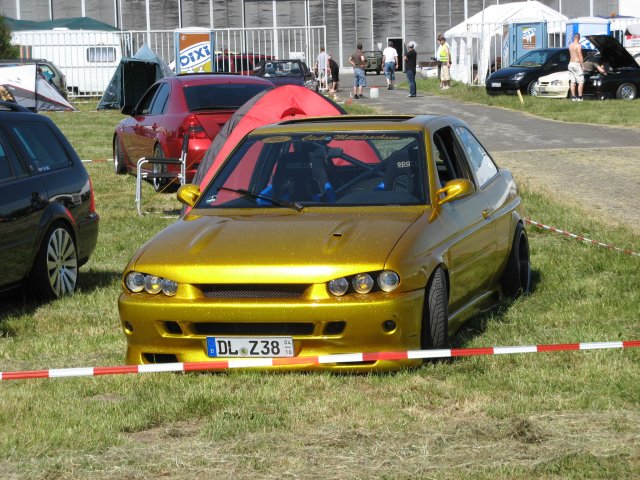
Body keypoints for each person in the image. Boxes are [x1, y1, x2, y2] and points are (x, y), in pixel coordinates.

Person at [568, 33, 585, 101]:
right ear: (579, 38)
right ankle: (580, 97)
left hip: (570, 64)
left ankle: (573, 97)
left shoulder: (570, 45)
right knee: (581, 81)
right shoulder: (578, 46)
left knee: (572, 81)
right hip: (576, 64)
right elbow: (580, 56)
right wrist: (582, 66)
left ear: (573, 38)